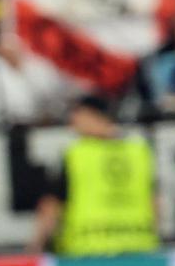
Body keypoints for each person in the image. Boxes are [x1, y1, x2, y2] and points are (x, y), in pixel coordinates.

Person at [28, 96, 159, 256]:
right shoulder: (139, 151)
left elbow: (51, 205)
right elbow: (155, 203)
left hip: (86, 251)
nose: (72, 124)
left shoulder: (77, 154)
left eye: (77, 117)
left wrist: (36, 245)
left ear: (93, 115)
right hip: (139, 247)